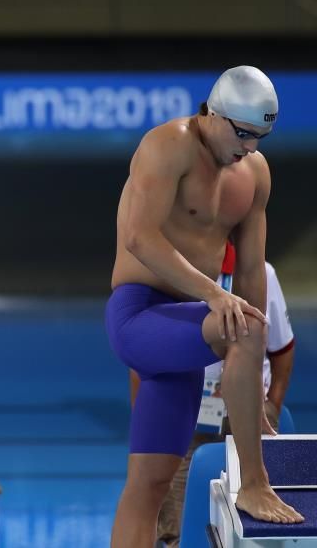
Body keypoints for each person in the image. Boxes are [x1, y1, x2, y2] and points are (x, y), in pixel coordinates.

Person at [105, 65, 303, 548]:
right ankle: (253, 486)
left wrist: (252, 387)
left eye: (260, 137)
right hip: (139, 314)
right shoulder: (167, 145)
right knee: (241, 327)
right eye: (242, 134)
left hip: (187, 332)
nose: (250, 147)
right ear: (213, 114)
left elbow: (252, 272)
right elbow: (139, 236)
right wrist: (214, 293)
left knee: (148, 487)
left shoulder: (254, 174)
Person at [129, 253, 296, 547]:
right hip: (187, 416)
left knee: (263, 526)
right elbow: (141, 362)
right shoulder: (165, 280)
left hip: (250, 415)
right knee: (180, 525)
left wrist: (270, 407)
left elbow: (282, 351)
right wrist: (145, 431)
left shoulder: (263, 274)